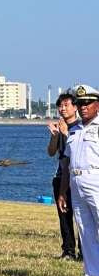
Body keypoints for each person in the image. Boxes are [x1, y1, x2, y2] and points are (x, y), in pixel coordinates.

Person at [59, 84, 99, 276]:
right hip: (76, 182)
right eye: (80, 103)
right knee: (85, 231)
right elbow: (66, 162)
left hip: (96, 180)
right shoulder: (74, 130)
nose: (83, 107)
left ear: (97, 105)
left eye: (88, 103)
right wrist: (63, 192)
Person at [47, 91, 80, 260]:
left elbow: (76, 153)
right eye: (60, 106)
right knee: (64, 216)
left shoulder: (81, 128)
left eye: (66, 105)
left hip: (76, 176)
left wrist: (66, 134)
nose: (62, 109)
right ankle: (68, 250)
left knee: (82, 216)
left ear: (75, 107)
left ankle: (85, 251)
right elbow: (52, 152)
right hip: (60, 176)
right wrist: (55, 136)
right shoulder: (60, 127)